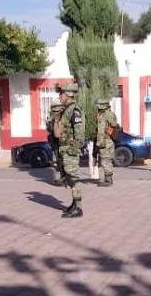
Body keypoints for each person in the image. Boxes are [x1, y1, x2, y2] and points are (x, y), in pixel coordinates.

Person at [59, 82, 85, 218]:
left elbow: (79, 133)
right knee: (69, 178)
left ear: (68, 94)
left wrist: (73, 149)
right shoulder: (67, 109)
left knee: (74, 178)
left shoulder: (74, 110)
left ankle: (78, 208)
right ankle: (75, 204)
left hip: (70, 150)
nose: (60, 96)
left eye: (61, 93)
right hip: (66, 149)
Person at [95, 99, 119, 187]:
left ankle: (108, 180)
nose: (98, 106)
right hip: (102, 141)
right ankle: (107, 179)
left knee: (106, 160)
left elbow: (114, 124)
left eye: (99, 104)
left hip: (107, 141)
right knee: (104, 160)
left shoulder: (109, 114)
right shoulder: (101, 114)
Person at [46, 102, 67, 186]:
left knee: (61, 161)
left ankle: (63, 178)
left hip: (61, 142)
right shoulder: (52, 118)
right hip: (56, 143)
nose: (55, 112)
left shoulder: (63, 118)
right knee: (57, 161)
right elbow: (49, 129)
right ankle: (60, 178)